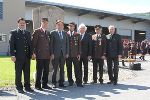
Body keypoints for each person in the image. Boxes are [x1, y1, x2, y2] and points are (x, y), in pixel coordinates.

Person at [10, 18, 34, 93]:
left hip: (27, 57)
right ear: (18, 24)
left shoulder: (27, 33)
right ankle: (19, 87)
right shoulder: (14, 32)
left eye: (24, 23)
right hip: (18, 57)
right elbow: (11, 45)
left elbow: (30, 44)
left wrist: (32, 53)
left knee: (27, 72)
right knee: (18, 72)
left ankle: (27, 86)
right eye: (21, 23)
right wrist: (12, 55)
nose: (22, 24)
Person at [32, 18, 51, 90]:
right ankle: (37, 85)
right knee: (39, 71)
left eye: (47, 23)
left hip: (47, 55)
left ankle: (44, 84)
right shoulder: (37, 31)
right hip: (40, 55)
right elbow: (33, 43)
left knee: (46, 71)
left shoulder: (47, 32)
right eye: (44, 23)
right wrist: (33, 53)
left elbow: (48, 44)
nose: (46, 24)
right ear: (41, 23)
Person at [50, 20, 69, 88]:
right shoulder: (53, 33)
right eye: (58, 25)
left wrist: (67, 53)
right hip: (55, 54)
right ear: (56, 25)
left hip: (63, 54)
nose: (60, 26)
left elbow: (67, 44)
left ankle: (61, 83)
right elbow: (51, 45)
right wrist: (52, 53)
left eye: (61, 25)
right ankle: (54, 83)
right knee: (55, 69)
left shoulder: (65, 33)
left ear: (63, 26)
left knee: (62, 69)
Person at [66, 22, 83, 87]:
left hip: (75, 55)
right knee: (69, 68)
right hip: (68, 55)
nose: (71, 27)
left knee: (77, 69)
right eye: (70, 26)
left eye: (72, 26)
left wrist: (79, 54)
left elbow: (79, 45)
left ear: (74, 27)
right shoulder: (66, 34)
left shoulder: (77, 34)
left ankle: (78, 82)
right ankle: (70, 81)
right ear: (68, 27)